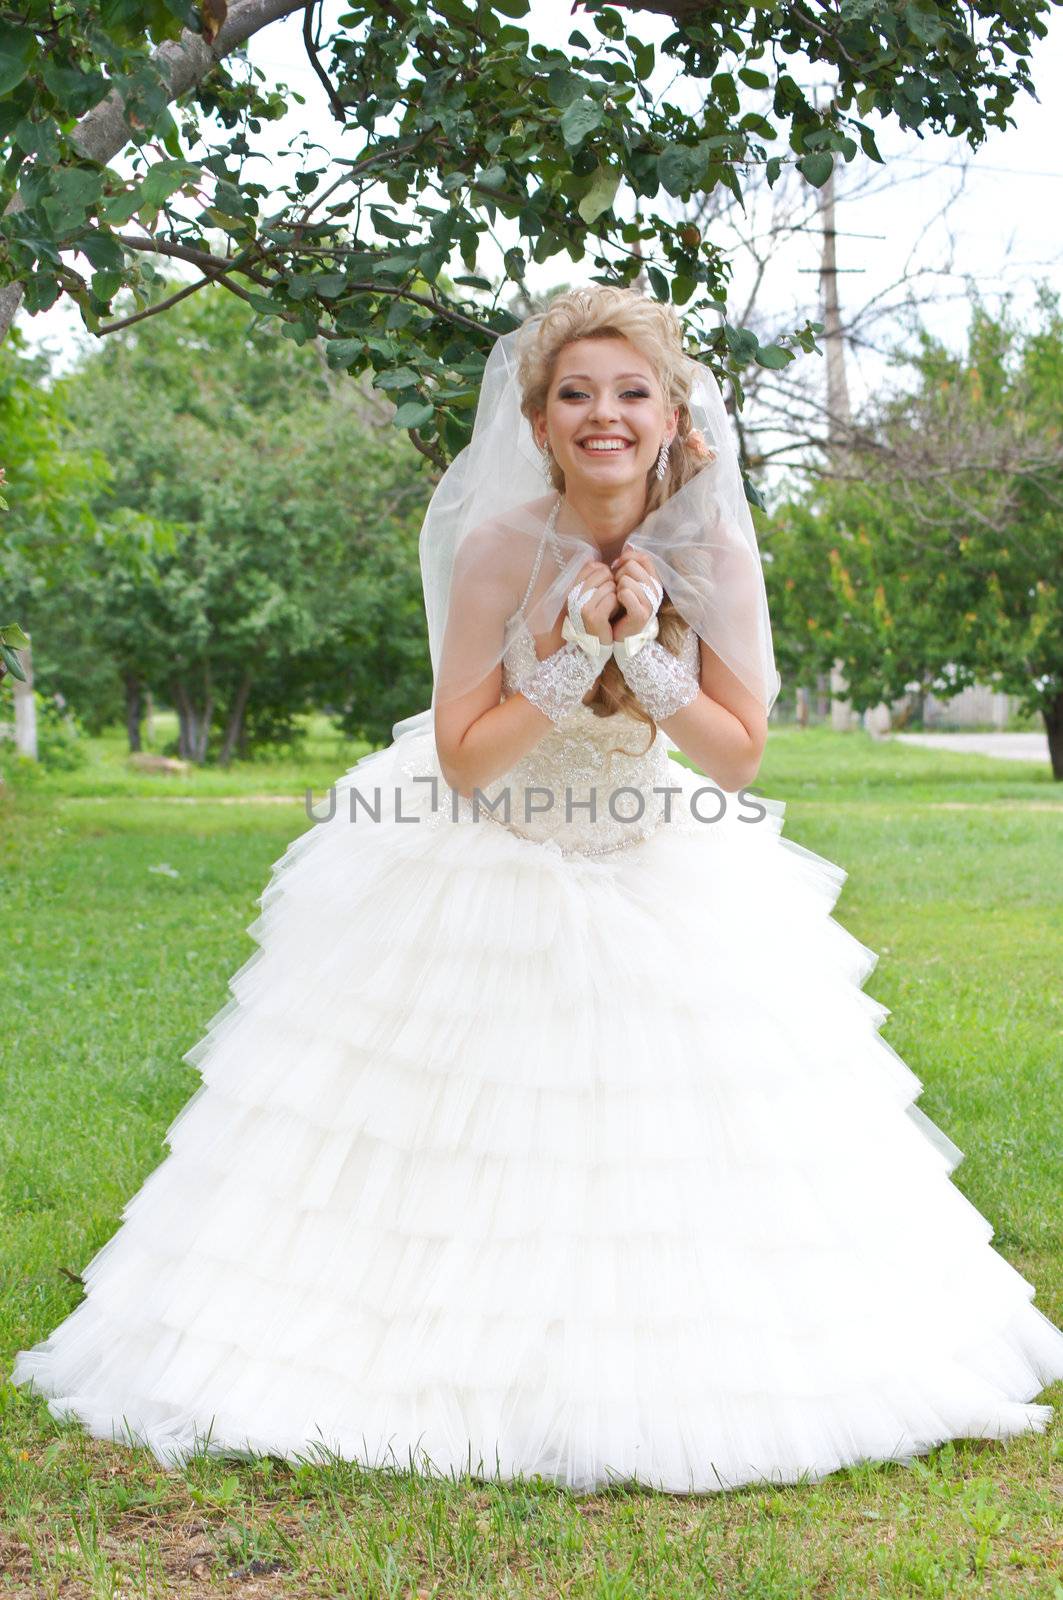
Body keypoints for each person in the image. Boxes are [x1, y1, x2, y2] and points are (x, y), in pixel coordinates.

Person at [10, 285, 1063, 1496]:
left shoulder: (710, 544)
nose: (603, 415)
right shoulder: (501, 544)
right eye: (576, 393)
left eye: (631, 392)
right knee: (436, 1133)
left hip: (651, 852)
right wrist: (572, 656)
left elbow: (737, 752)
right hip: (483, 854)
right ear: (542, 416)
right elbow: (462, 758)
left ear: (670, 415)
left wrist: (642, 658)